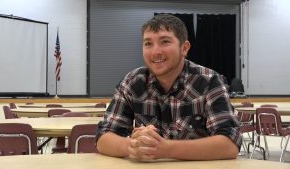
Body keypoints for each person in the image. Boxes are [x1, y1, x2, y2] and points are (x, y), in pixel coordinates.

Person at [96, 14, 241, 161]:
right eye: (148, 44)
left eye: (165, 42)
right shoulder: (132, 82)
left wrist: (165, 149)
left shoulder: (209, 81)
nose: (155, 52)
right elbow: (104, 138)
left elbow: (229, 144)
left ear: (184, 48)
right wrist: (133, 146)